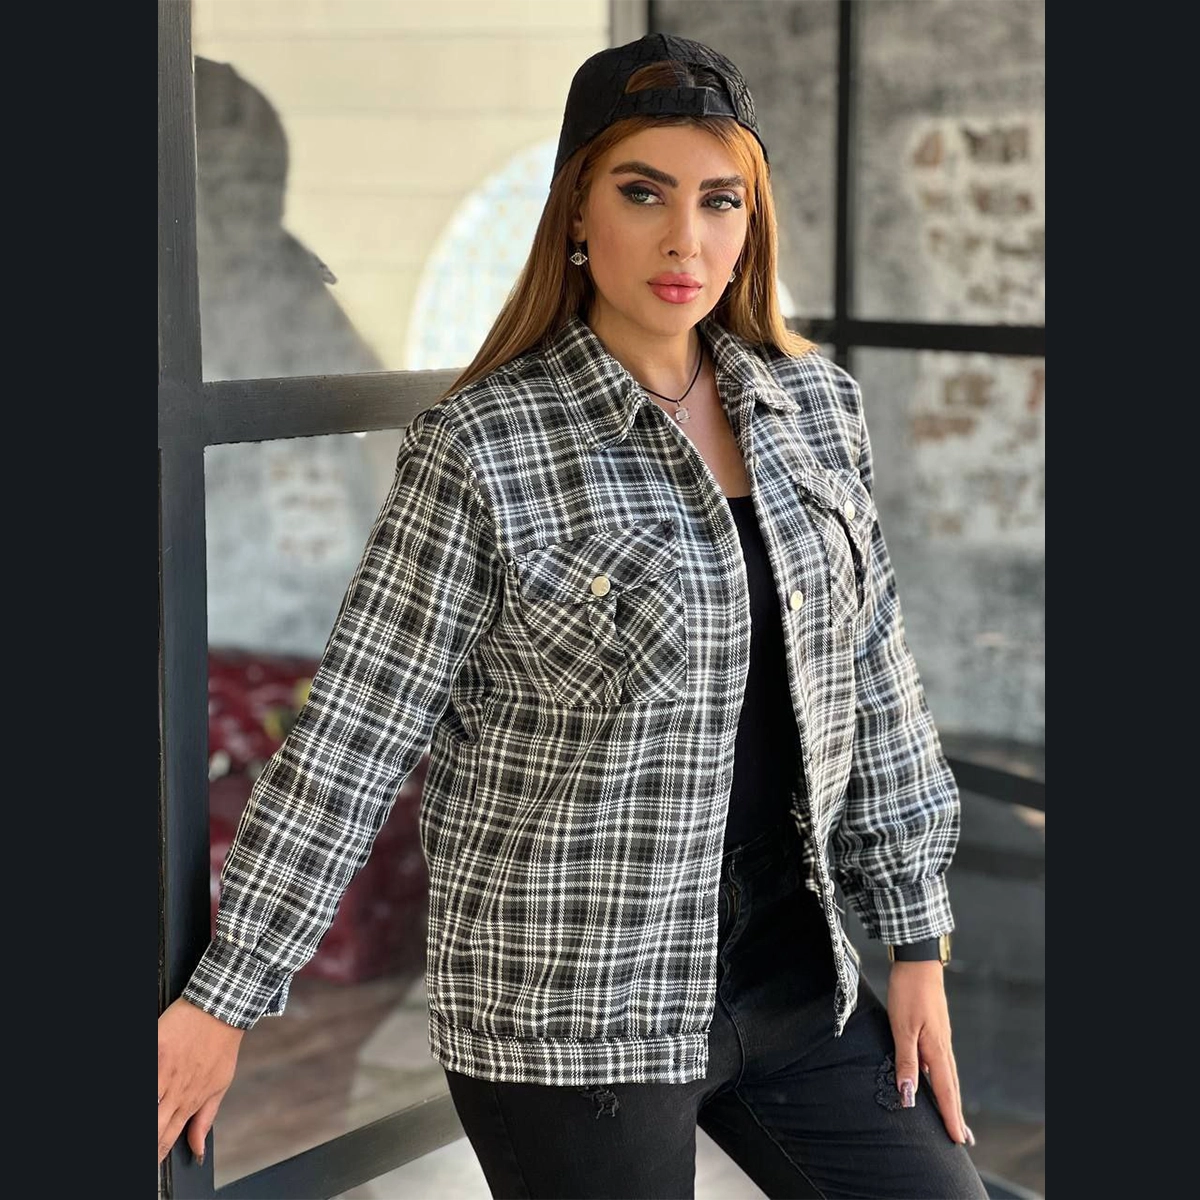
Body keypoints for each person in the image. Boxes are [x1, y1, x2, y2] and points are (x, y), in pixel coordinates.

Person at [159, 33, 990, 1199]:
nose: (685, 238)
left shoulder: (814, 408)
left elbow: (878, 681)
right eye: (643, 193)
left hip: (793, 979)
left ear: (751, 223)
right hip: (574, 1010)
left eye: (719, 199)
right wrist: (226, 997)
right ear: (577, 215)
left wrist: (915, 944)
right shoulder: (484, 450)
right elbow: (353, 737)